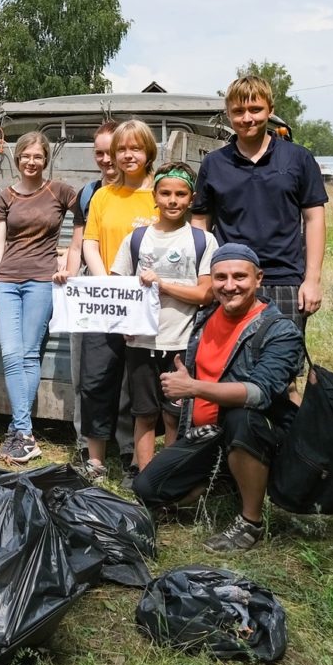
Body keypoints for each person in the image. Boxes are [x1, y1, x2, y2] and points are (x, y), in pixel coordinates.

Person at [131, 243, 304, 552]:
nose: (229, 286)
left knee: (242, 417)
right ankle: (223, 479)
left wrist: (194, 388)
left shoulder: (280, 330)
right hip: (209, 435)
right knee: (146, 488)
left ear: (259, 278)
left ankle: (250, 521)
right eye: (220, 277)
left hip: (263, 435)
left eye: (240, 277)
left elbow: (259, 393)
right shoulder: (205, 318)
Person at [192, 75, 330, 329]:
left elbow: (314, 219)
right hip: (229, 281)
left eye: (255, 109)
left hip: (285, 280)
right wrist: (204, 277)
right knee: (225, 363)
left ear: (270, 110)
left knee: (280, 364)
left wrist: (312, 280)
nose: (247, 118)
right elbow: (200, 221)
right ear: (228, 114)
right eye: (239, 111)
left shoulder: (298, 159)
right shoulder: (214, 163)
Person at [110, 162, 214, 472]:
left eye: (180, 194)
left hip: (180, 342)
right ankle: (144, 476)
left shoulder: (202, 241)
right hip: (141, 342)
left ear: (191, 198)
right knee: (144, 413)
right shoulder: (136, 238)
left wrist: (162, 284)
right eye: (165, 193)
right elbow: (119, 287)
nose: (173, 200)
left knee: (173, 415)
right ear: (154, 196)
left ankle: (166, 475)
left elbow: (205, 294)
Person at [0, 132, 77, 464]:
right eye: (26, 156)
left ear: (45, 159)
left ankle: (20, 432)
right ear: (17, 158)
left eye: (37, 156)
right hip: (8, 280)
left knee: (28, 354)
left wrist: (69, 255)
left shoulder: (60, 191)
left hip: (41, 281)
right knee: (11, 353)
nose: (31, 162)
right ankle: (24, 432)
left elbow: (85, 224)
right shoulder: (5, 196)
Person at [76, 119, 159, 478]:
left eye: (135, 148)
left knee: (140, 383)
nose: (128, 155)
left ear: (148, 152)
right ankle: (95, 458)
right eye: (121, 149)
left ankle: (137, 458)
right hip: (106, 300)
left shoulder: (160, 193)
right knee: (97, 378)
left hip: (149, 304)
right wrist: (105, 283)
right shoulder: (102, 196)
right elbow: (90, 242)